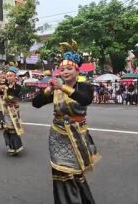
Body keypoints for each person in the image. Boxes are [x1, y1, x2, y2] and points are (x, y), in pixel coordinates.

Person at [32, 40, 100, 204]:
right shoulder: (55, 90)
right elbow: (36, 103)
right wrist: (48, 89)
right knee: (62, 171)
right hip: (58, 135)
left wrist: (62, 88)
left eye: (69, 69)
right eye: (62, 69)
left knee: (76, 172)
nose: (65, 72)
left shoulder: (85, 87)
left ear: (77, 71)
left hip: (78, 134)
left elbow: (84, 100)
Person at [0, 65, 24, 155]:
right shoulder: (5, 85)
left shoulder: (18, 87)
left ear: (15, 76)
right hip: (6, 110)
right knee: (8, 128)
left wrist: (5, 90)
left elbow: (13, 97)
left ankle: (16, 147)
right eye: (7, 76)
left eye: (10, 75)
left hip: (13, 110)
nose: (8, 77)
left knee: (13, 128)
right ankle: (11, 146)